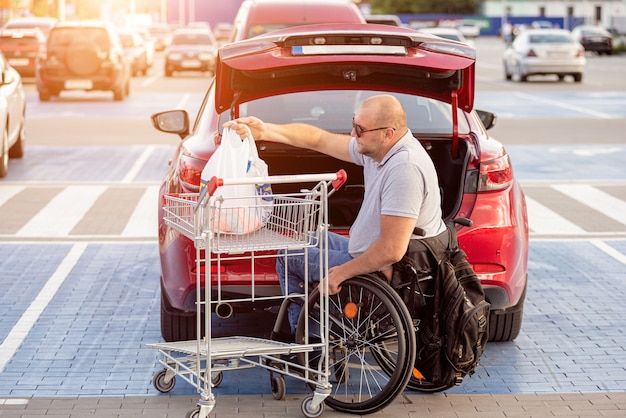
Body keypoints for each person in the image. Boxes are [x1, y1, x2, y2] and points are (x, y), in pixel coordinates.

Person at [227, 94, 447, 332]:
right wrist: (265, 131)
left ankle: (308, 349)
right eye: (354, 124)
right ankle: (316, 328)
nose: (353, 134)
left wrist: (340, 273)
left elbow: (390, 251)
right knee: (307, 240)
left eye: (360, 129)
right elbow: (319, 139)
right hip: (369, 253)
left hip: (387, 271)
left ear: (388, 134)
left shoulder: (405, 168)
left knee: (288, 257)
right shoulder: (380, 150)